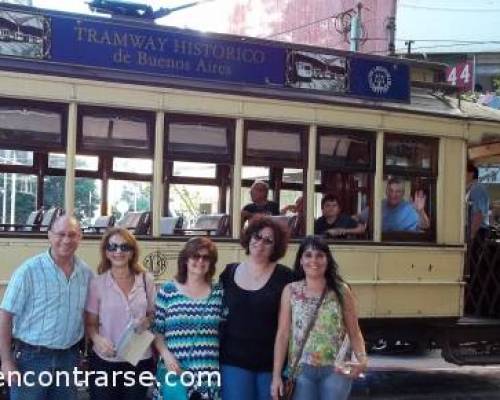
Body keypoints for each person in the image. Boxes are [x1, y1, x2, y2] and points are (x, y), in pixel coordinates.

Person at [0, 215, 93, 400]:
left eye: (72, 235)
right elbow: (5, 316)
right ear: (49, 236)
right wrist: (6, 361)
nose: (66, 240)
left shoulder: (86, 274)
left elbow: (86, 317)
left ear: (80, 237)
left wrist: (85, 354)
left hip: (68, 358)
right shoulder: (28, 271)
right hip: (30, 359)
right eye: (61, 234)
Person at [271, 236, 367, 400]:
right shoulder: (291, 291)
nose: (313, 260)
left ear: (327, 260)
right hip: (301, 370)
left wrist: (362, 360)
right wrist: (276, 376)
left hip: (335, 370)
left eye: (319, 255)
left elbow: (354, 331)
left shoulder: (341, 290)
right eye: (308, 255)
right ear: (301, 260)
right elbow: (283, 335)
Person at [220, 216, 293, 400]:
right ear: (249, 238)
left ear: (275, 247)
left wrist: (278, 374)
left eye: (268, 241)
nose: (260, 244)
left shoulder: (286, 277)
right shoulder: (228, 273)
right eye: (257, 237)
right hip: (233, 362)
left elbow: (285, 330)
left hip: (271, 364)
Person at [85, 227, 156, 400]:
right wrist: (98, 339)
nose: (118, 251)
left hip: (139, 359)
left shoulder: (146, 280)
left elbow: (154, 315)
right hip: (105, 361)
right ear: (106, 252)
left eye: (125, 247)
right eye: (113, 247)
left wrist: (147, 322)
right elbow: (90, 323)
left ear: (133, 252)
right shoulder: (97, 284)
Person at [153, 237, 223, 400]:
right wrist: (166, 355)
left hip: (207, 374)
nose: (200, 261)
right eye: (195, 256)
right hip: (175, 370)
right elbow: (157, 331)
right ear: (185, 260)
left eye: (206, 257)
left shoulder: (218, 293)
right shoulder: (168, 291)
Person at [466, 163, 490, 240]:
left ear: (471, 173)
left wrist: (472, 235)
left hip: (478, 231)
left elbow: (478, 214)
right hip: (477, 230)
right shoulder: (472, 188)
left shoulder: (477, 188)